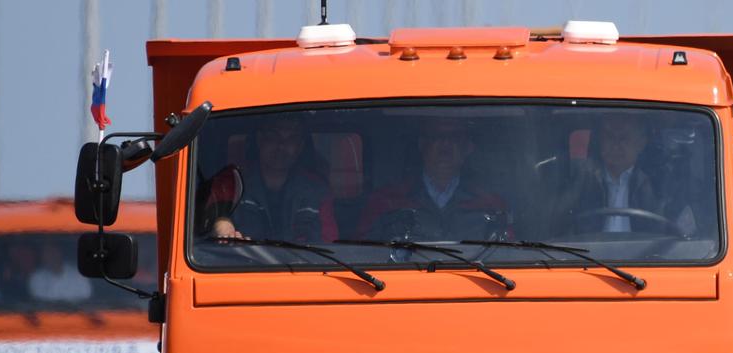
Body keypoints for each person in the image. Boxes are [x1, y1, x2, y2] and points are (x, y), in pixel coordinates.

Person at [357, 118, 509, 241]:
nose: (445, 145)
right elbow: (362, 255)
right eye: (436, 137)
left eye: (454, 138)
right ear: (422, 144)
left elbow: (510, 257)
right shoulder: (386, 202)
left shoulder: (491, 205)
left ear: (468, 148)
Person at [552, 113, 696, 236]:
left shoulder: (661, 182)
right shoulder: (582, 179)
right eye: (609, 137)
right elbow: (556, 222)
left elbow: (682, 235)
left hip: (647, 261)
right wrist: (578, 185)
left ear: (641, 143)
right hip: (584, 260)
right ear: (600, 141)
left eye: (624, 138)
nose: (616, 145)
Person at [202, 113, 338, 242]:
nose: (281, 146)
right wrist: (221, 225)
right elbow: (210, 218)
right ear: (260, 140)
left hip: (304, 265)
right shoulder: (231, 183)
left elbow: (329, 243)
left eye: (291, 139)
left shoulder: (318, 190)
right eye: (273, 136)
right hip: (242, 264)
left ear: (300, 146)